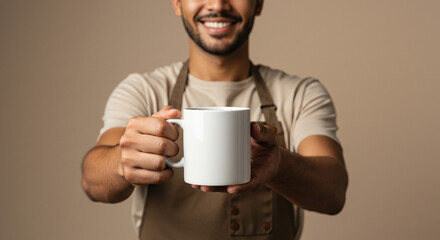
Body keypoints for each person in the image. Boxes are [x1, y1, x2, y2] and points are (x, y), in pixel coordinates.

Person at [81, 0, 349, 239]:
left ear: (258, 3)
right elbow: (92, 181)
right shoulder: (142, 90)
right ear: (177, 4)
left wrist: (280, 164)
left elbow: (333, 193)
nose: (218, 4)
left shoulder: (299, 94)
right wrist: (121, 162)